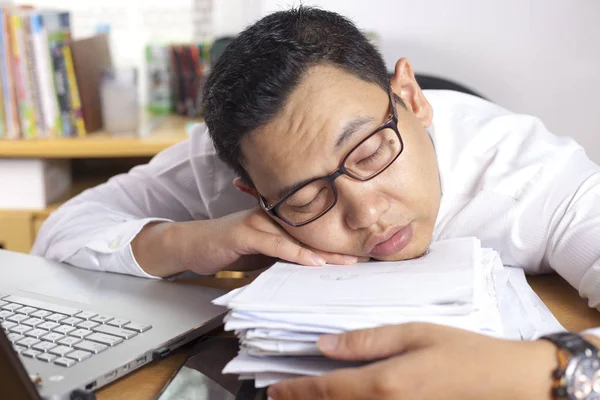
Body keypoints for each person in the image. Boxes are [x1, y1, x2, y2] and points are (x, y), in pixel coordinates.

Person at [32, 6, 600, 399]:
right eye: (308, 197)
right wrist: (196, 241)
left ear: (410, 98)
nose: (366, 213)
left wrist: (550, 371)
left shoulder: (526, 168)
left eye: (371, 150)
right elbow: (61, 231)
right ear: (253, 192)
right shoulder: (211, 167)